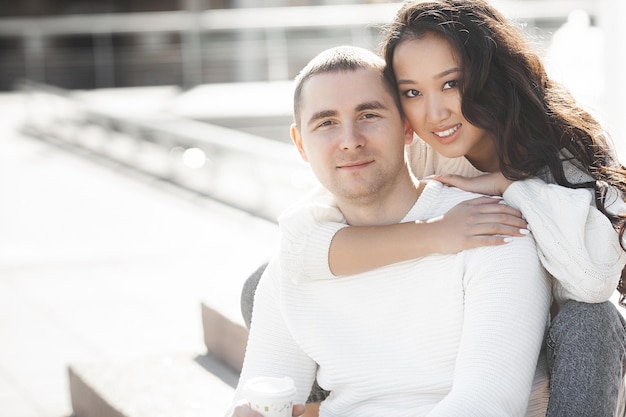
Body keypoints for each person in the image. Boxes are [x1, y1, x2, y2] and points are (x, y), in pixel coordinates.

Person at [245, 1, 626, 416]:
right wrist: (436, 233)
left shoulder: (562, 150)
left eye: (451, 84)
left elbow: (593, 281)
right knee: (269, 282)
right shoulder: (422, 149)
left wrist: (510, 186)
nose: (435, 112)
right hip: (440, 341)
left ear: (488, 75)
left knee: (592, 322)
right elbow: (300, 240)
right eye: (412, 92)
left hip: (537, 349)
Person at [227, 45, 552, 417]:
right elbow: (260, 394)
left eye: (368, 115)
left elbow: (486, 406)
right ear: (301, 143)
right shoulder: (296, 264)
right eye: (326, 123)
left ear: (407, 127)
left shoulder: (489, 231)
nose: (350, 139)